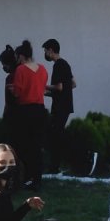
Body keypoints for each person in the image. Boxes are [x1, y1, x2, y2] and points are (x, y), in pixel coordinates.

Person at [10, 40, 49, 190]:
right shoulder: (43, 69)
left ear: (21, 56)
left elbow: (18, 93)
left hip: (25, 110)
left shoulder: (20, 70)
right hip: (40, 110)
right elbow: (42, 88)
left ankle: (26, 176)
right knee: (37, 146)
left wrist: (12, 89)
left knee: (23, 145)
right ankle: (37, 178)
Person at [42, 39, 74, 171]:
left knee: (55, 136)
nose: (45, 54)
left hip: (60, 107)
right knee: (58, 134)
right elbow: (72, 84)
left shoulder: (57, 65)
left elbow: (59, 87)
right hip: (66, 105)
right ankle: (60, 163)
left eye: (45, 51)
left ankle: (55, 166)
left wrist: (42, 86)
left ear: (51, 50)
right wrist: (47, 93)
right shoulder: (65, 64)